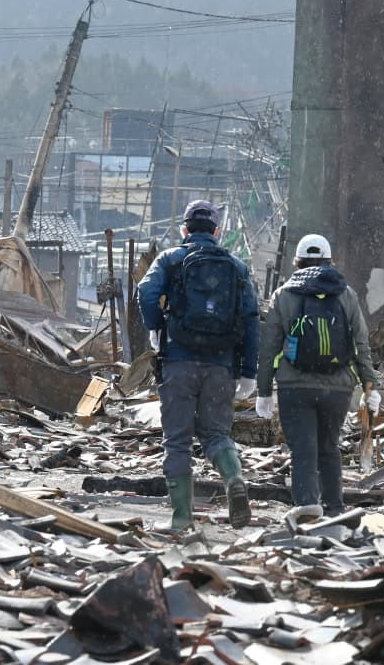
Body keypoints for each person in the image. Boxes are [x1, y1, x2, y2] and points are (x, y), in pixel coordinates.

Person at [138, 200, 260, 531]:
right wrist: (249, 372)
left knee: (177, 442)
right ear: (218, 232)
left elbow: (146, 293)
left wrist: (155, 329)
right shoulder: (237, 267)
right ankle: (233, 478)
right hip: (221, 366)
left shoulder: (170, 259)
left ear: (184, 230)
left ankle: (181, 520)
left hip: (178, 361)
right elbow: (251, 319)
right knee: (216, 434)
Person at [256, 233, 378, 523]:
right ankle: (335, 507)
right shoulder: (346, 294)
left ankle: (309, 507)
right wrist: (369, 386)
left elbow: (269, 347)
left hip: (294, 387)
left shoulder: (283, 295)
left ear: (297, 262)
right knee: (329, 448)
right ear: (329, 261)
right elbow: (361, 343)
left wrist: (262, 390)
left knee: (303, 451)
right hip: (337, 388)